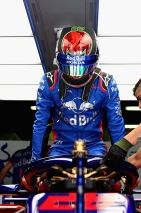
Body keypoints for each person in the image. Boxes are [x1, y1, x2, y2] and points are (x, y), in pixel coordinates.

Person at [31, 26, 126, 162]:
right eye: (70, 66)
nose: (76, 74)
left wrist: (121, 161)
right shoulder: (49, 81)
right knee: (49, 178)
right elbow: (41, 123)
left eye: (82, 67)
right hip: (60, 147)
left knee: (105, 178)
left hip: (94, 147)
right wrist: (35, 160)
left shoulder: (106, 83)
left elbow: (115, 123)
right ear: (58, 60)